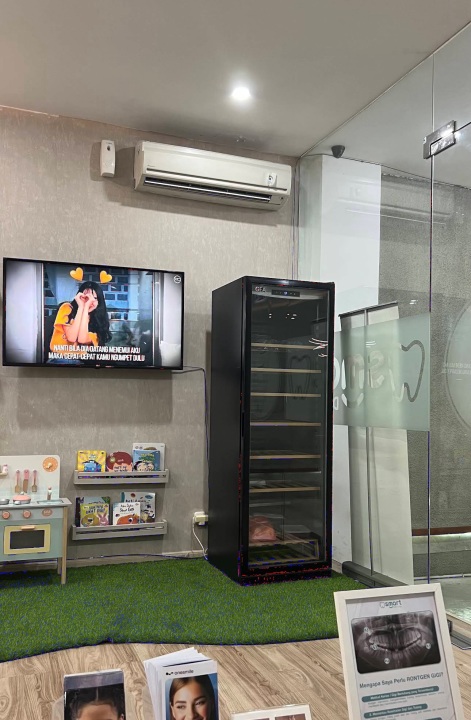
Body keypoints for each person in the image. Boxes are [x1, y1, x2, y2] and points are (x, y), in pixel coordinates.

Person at [49, 281, 112, 356]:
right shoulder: (67, 308)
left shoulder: (98, 322)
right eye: (86, 297)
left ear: (99, 302)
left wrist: (85, 309)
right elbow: (71, 338)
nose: (89, 301)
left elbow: (82, 339)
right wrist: (81, 307)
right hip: (60, 357)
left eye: (94, 298)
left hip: (82, 360)